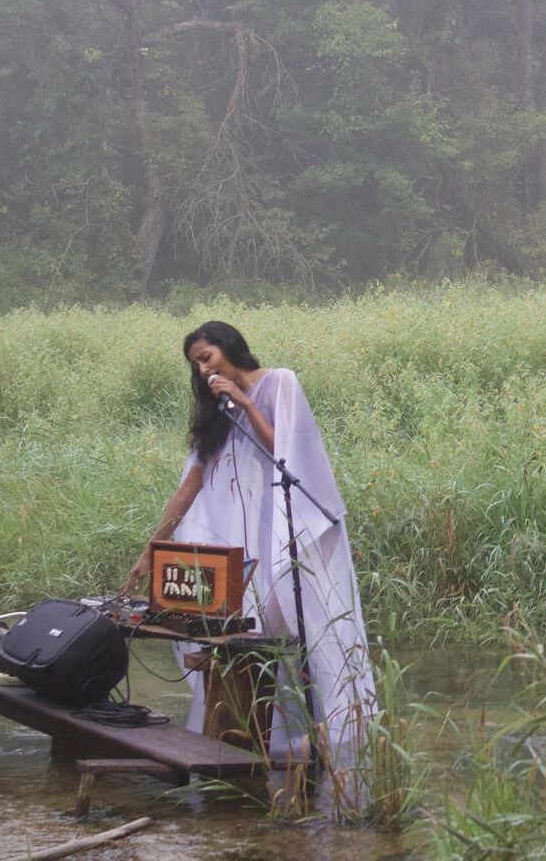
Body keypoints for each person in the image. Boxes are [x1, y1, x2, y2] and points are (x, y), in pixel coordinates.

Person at [125, 321, 374, 774]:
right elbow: (191, 486)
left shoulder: (280, 382)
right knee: (244, 639)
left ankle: (319, 736)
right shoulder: (213, 413)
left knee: (295, 630)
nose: (203, 371)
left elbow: (287, 453)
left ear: (229, 348)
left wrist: (242, 401)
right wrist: (152, 548)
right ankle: (248, 743)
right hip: (241, 546)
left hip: (283, 533)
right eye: (196, 365)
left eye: (206, 358)